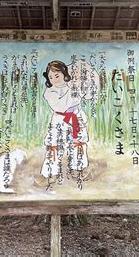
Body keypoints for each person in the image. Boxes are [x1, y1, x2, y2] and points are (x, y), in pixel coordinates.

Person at [39, 60, 89, 188]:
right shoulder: (49, 92)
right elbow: (61, 107)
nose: (54, 79)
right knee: (54, 146)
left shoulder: (73, 85)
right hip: (59, 120)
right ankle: (51, 174)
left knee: (78, 144)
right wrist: (74, 90)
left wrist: (80, 86)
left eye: (57, 75)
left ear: (64, 74)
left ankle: (78, 169)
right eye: (51, 77)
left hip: (76, 118)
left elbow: (84, 96)